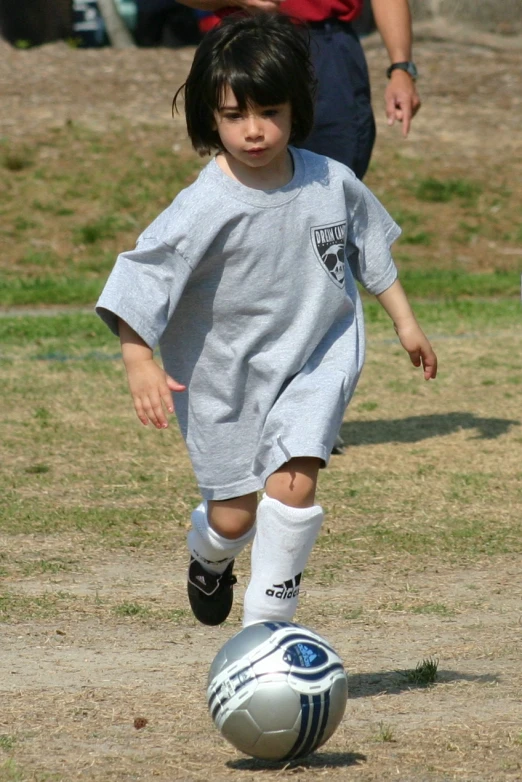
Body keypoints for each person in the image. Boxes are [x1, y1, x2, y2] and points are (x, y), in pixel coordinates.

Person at [96, 12, 436, 630]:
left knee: (296, 482)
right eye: (234, 117)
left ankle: (268, 626)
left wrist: (405, 324)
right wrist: (138, 358)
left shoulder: (332, 180)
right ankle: (209, 553)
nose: (255, 131)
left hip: (315, 355)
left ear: (296, 108)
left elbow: (370, 251)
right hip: (224, 374)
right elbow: (141, 277)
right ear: (210, 118)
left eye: (270, 112)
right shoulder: (203, 205)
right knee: (235, 518)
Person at [177, 0, 421, 180]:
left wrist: (401, 67)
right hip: (244, 44)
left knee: (335, 179)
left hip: (328, 47)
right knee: (247, 184)